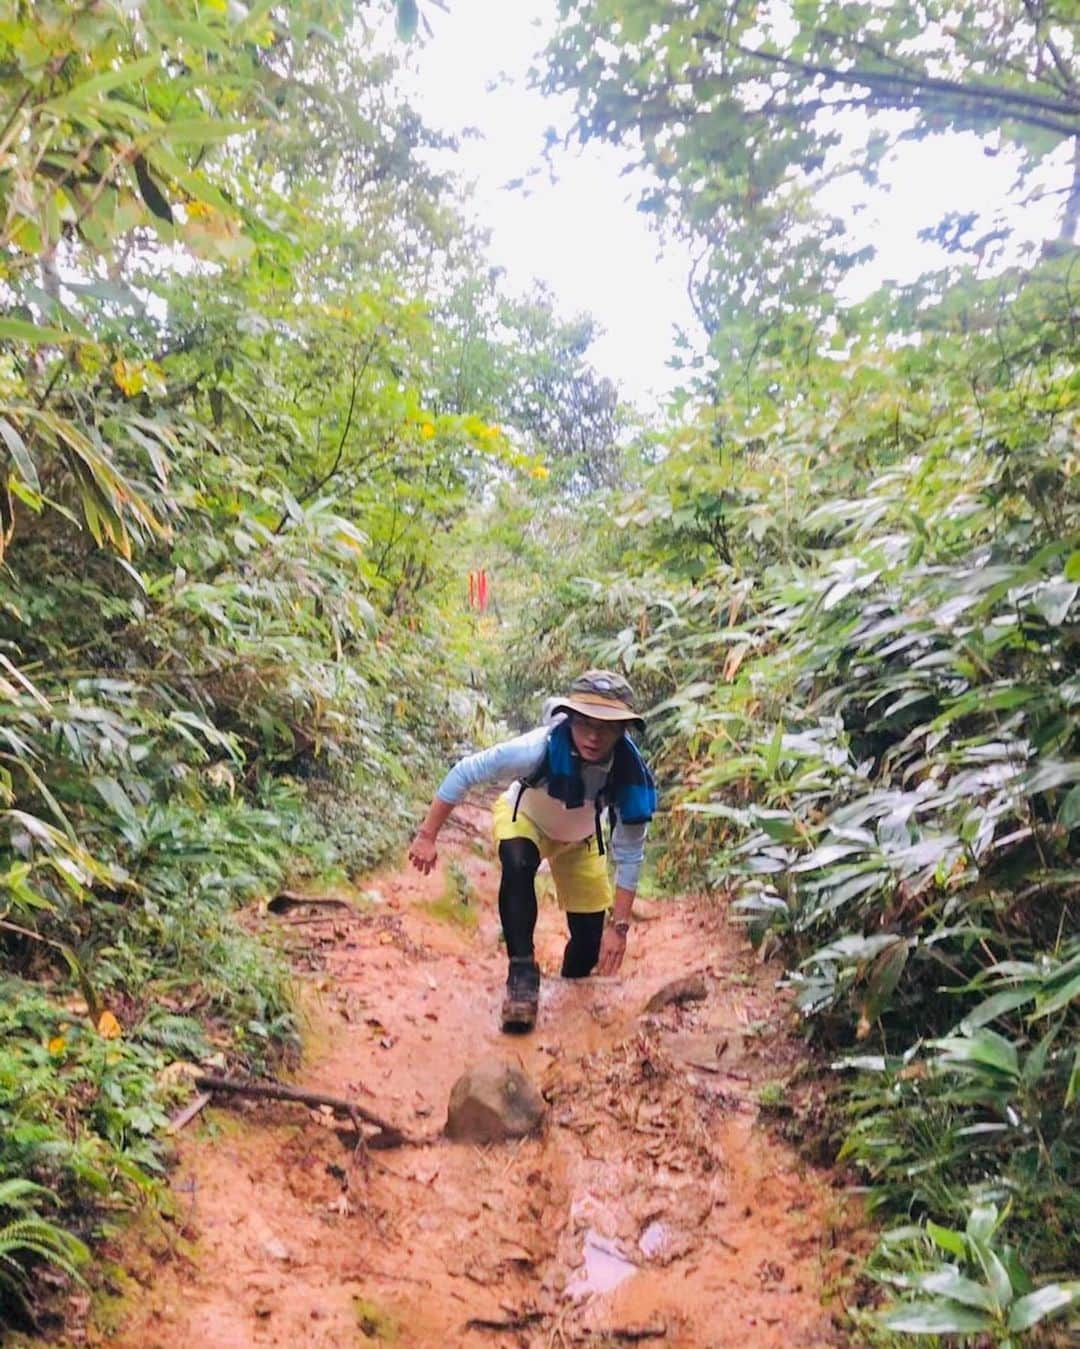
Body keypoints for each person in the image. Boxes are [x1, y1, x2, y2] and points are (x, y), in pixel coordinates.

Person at [407, 670, 657, 1032]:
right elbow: (464, 772)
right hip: (524, 818)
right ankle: (522, 975)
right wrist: (427, 835)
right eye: (585, 722)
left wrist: (618, 927)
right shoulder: (535, 749)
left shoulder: (629, 776)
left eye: (606, 726)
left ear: (622, 731)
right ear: (569, 718)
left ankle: (571, 989)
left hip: (582, 839)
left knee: (588, 943)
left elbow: (630, 853)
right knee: (517, 860)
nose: (593, 735)